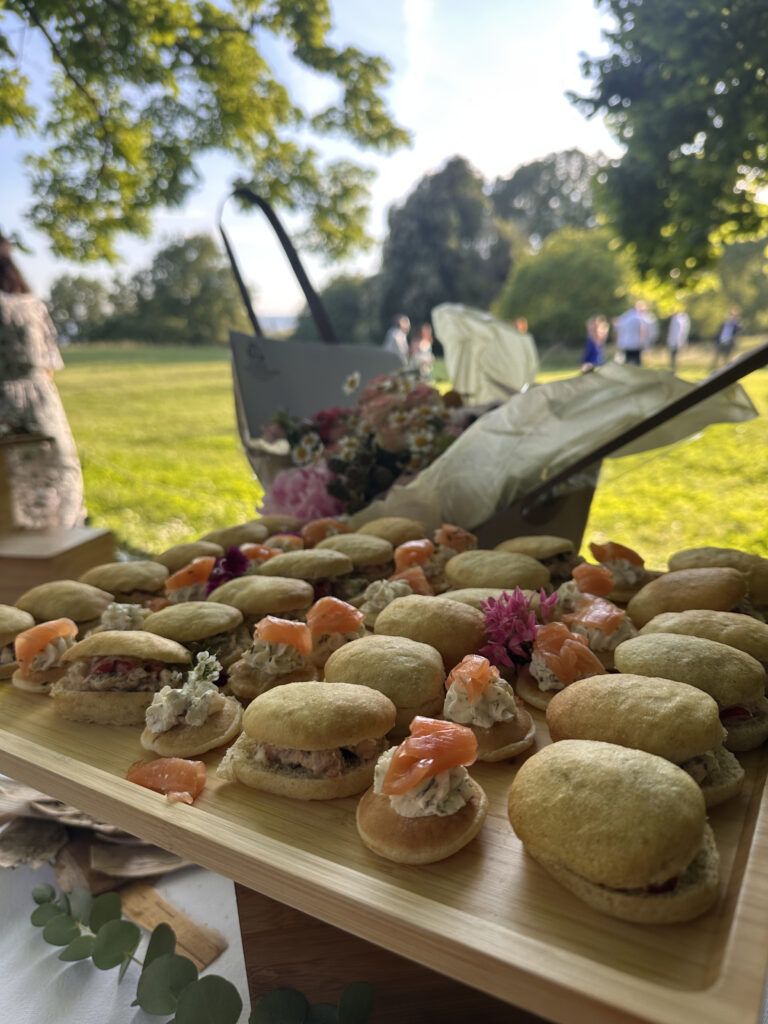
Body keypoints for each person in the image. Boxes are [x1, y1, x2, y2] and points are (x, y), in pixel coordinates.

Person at [0, 234, 85, 529]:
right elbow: (49, 365)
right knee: (54, 477)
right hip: (40, 401)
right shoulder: (31, 304)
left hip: (13, 401)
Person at [613, 301, 657, 366]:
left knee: (628, 361)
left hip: (626, 343)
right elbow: (643, 331)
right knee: (637, 362)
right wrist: (643, 343)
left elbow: (617, 326)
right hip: (636, 344)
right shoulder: (640, 318)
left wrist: (619, 341)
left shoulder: (626, 316)